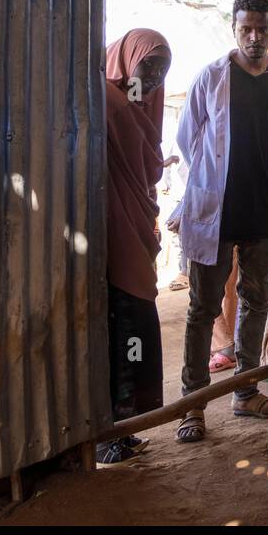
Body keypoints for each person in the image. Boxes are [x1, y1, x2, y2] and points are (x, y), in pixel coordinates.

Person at [174, 0, 268, 442]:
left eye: (262, 28)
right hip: (217, 211)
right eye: (246, 28)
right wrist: (207, 185)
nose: (254, 37)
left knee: (255, 300)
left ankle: (245, 393)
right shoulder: (210, 77)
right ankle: (193, 405)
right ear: (234, 29)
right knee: (202, 308)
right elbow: (187, 142)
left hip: (265, 211)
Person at [99, 29, 173, 468]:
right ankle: (109, 435)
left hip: (136, 229)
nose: (155, 76)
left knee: (136, 326)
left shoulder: (142, 108)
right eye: (148, 65)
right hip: (113, 233)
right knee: (124, 324)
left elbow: (148, 169)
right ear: (127, 60)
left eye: (162, 69)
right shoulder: (108, 101)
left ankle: (122, 432)